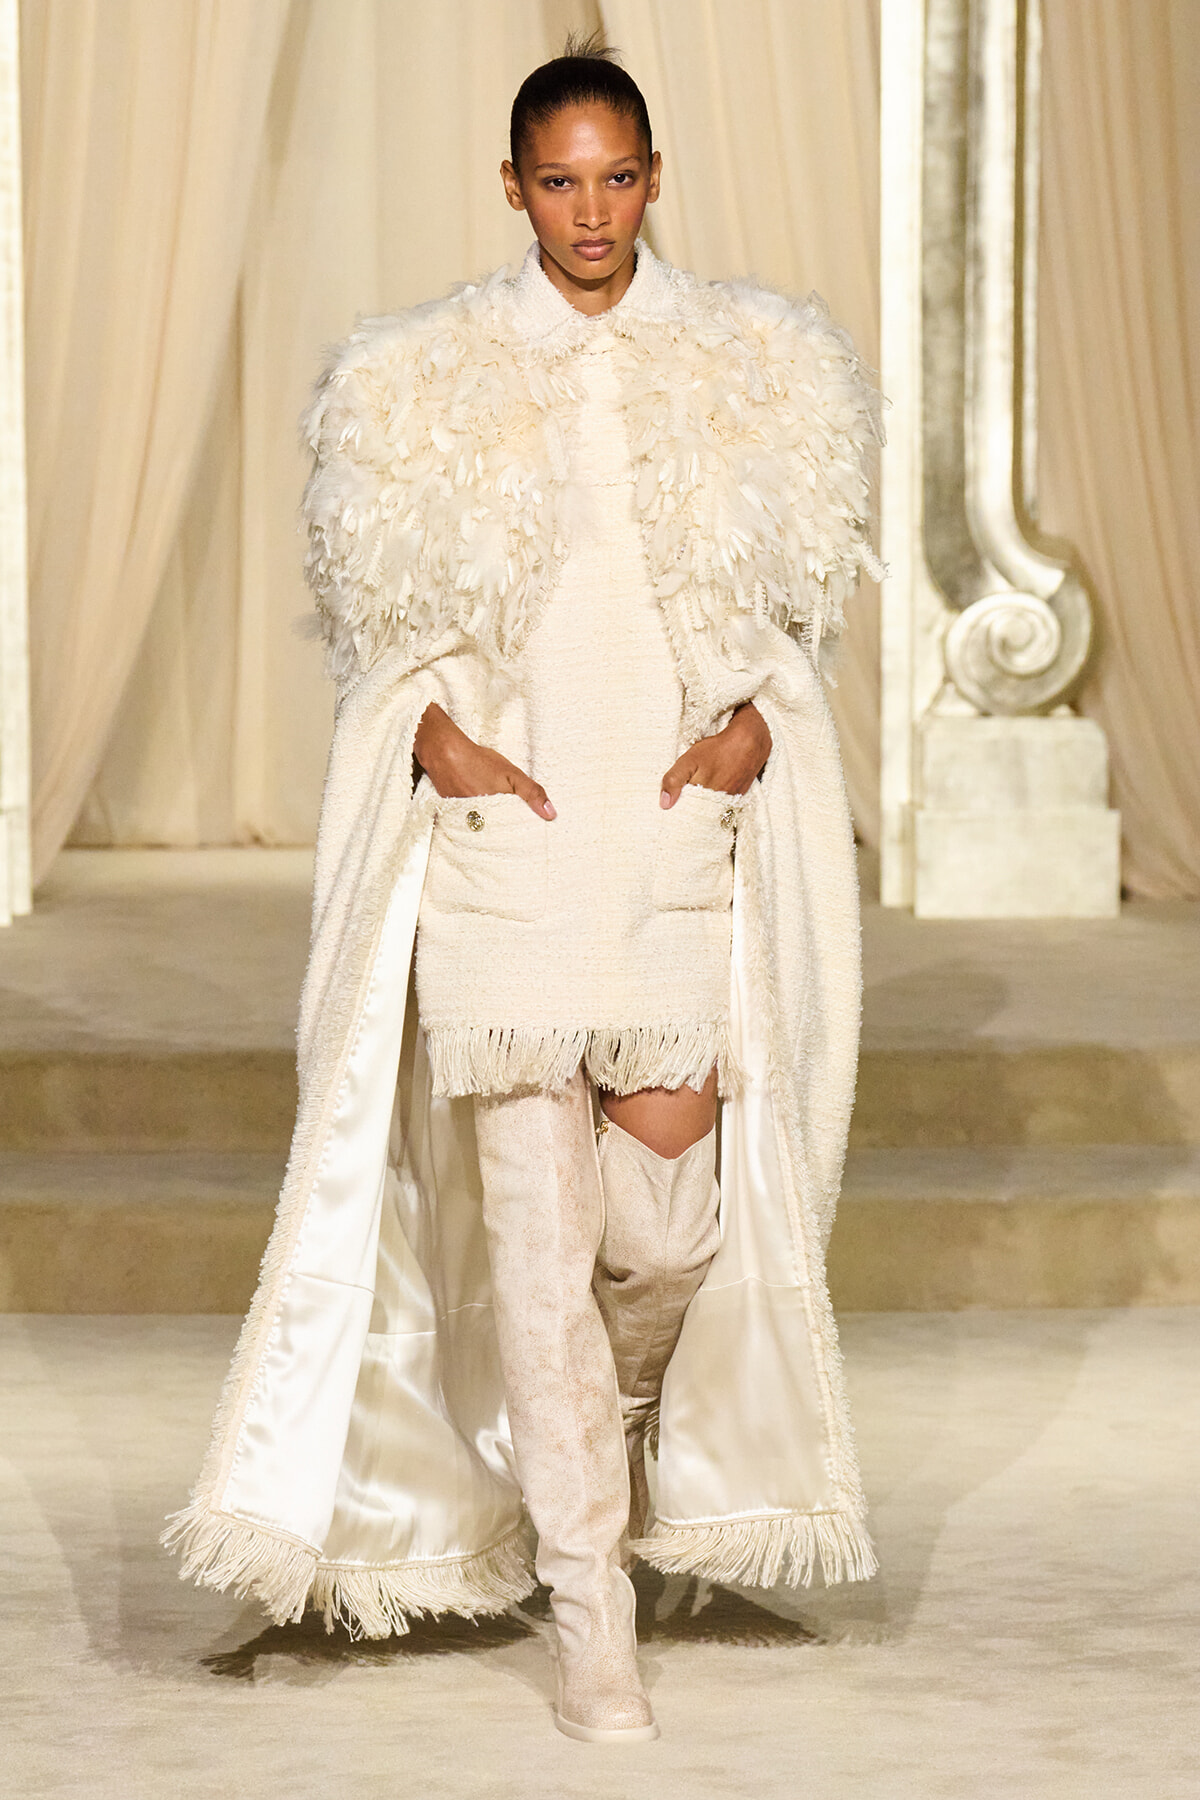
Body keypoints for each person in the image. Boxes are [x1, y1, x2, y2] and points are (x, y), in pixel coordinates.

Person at [165, 34, 885, 1746]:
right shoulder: (418, 383)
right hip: (509, 866)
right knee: (542, 1259)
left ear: (655, 179)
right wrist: (440, 746)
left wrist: (751, 752)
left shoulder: (757, 374)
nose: (587, 210)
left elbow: (790, 636)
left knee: (665, 1233)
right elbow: (377, 644)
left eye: (615, 176)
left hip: (668, 856)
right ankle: (591, 1616)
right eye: (556, 180)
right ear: (512, 187)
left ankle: (596, 1465)